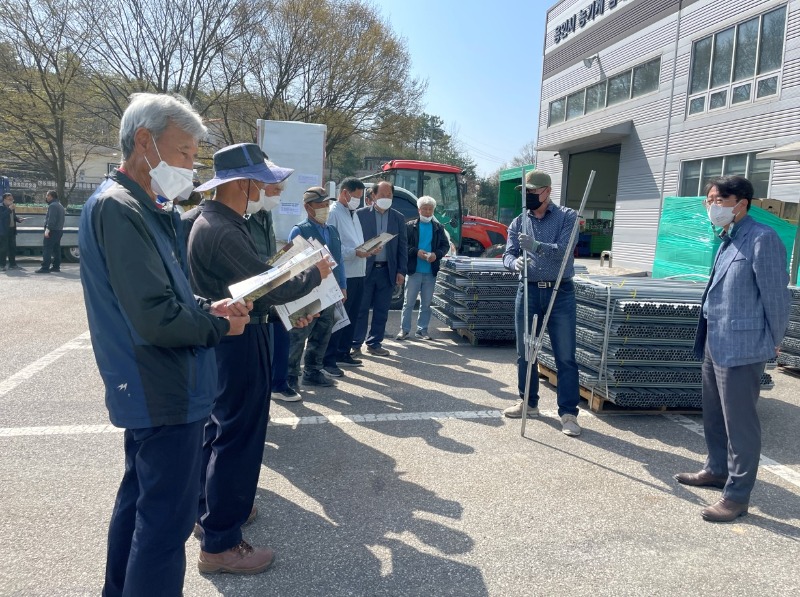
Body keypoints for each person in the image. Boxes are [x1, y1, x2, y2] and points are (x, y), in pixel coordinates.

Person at [78, 92, 253, 597]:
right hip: (163, 387)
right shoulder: (119, 208)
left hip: (159, 386)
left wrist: (207, 307)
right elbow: (155, 317)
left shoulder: (146, 206)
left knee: (139, 506)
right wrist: (221, 327)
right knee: (164, 526)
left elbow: (172, 292)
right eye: (182, 153)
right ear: (143, 142)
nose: (189, 166)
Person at [187, 143, 329, 574]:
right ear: (243, 183)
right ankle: (221, 542)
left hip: (232, 337)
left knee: (220, 430)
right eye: (263, 180)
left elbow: (255, 286)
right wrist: (313, 274)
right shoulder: (223, 229)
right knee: (238, 438)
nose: (268, 187)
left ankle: (212, 510)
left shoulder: (216, 221)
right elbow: (266, 288)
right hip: (238, 341)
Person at [674, 175, 790, 523]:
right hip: (715, 339)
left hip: (743, 345)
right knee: (713, 414)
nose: (711, 207)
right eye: (709, 201)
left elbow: (776, 295)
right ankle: (717, 469)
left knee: (740, 424)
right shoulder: (729, 238)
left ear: (741, 203)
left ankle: (737, 496)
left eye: (717, 200)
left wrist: (775, 339)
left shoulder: (762, 239)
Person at [501, 169, 581, 437]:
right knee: (526, 351)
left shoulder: (567, 217)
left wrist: (536, 246)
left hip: (560, 292)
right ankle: (528, 401)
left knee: (565, 355)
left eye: (533, 192)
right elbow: (508, 253)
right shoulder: (518, 222)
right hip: (529, 290)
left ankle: (568, 413)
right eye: (526, 192)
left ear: (547, 192)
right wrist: (514, 262)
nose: (529, 196)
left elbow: (565, 251)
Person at [242, 171, 300, 402]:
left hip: (267, 300)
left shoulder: (265, 215)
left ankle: (273, 387)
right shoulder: (242, 218)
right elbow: (251, 264)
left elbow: (267, 258)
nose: (278, 196)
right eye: (275, 190)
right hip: (247, 305)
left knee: (272, 350)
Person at [286, 186, 346, 389]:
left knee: (322, 332)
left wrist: (342, 286)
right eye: (320, 205)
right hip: (307, 291)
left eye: (326, 204)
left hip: (329, 291)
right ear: (308, 207)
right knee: (299, 334)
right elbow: (292, 264)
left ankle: (312, 370)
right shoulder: (300, 229)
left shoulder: (332, 230)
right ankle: (290, 375)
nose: (325, 208)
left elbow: (339, 261)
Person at [322, 177, 374, 373]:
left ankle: (343, 352)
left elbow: (355, 240)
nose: (358, 201)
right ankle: (329, 358)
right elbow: (332, 247)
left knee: (351, 315)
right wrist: (355, 252)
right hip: (345, 273)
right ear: (345, 193)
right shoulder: (334, 213)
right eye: (356, 197)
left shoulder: (351, 213)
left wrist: (368, 249)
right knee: (339, 318)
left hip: (359, 271)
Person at [352, 181, 408, 357]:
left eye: (389, 195)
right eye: (382, 194)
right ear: (373, 196)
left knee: (382, 309)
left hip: (387, 270)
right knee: (360, 308)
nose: (386, 198)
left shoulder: (398, 218)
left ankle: (375, 343)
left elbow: (402, 246)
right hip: (365, 269)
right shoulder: (360, 215)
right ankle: (355, 343)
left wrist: (401, 271)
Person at [396, 196, 449, 341]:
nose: (427, 212)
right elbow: (403, 246)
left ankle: (422, 330)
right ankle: (404, 330)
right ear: (419, 210)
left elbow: (445, 246)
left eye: (430, 209)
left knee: (426, 303)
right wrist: (416, 251)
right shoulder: (409, 226)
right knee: (408, 303)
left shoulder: (438, 228)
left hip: (430, 272)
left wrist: (436, 255)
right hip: (413, 271)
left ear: (433, 210)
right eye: (424, 209)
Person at [36, 190, 66, 273]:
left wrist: (47, 230)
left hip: (52, 230)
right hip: (59, 230)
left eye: (47, 195)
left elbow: (51, 219)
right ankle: (56, 267)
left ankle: (45, 267)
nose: (46, 197)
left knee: (47, 249)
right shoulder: (60, 205)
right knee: (56, 249)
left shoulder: (52, 206)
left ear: (51, 196)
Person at [0, 192, 23, 271]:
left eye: (12, 199)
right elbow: (2, 216)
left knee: (12, 248)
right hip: (3, 231)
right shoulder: (1, 207)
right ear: (4, 200)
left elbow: (13, 216)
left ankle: (12, 264)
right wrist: (9, 209)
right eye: (9, 199)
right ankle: (2, 265)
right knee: (3, 248)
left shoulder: (12, 207)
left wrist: (18, 219)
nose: (11, 201)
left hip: (12, 230)